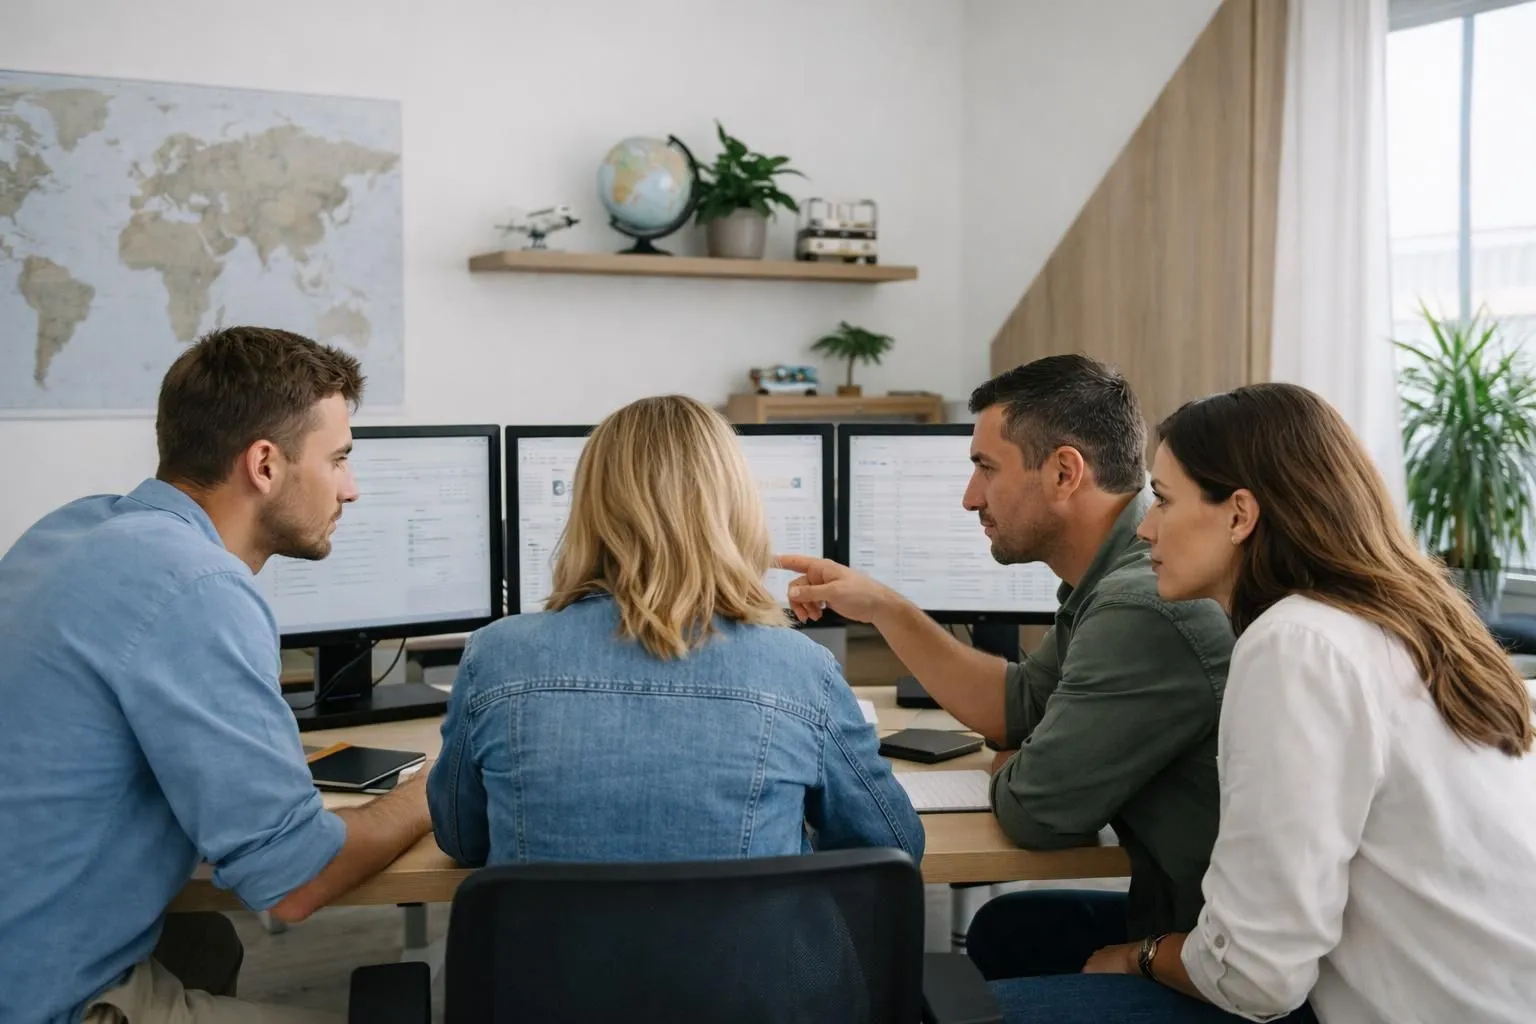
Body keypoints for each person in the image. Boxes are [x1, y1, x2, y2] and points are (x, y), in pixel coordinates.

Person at [1014, 382, 1536, 1023]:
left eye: (1165, 501)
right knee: (1020, 931)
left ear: (1239, 514)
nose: (1146, 528)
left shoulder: (1295, 644)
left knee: (973, 1001)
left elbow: (1254, 976)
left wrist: (1139, 957)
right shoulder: (1413, 624)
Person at [0, 327, 435, 1024]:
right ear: (265, 464)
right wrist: (430, 793)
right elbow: (295, 883)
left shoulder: (70, 529)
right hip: (43, 999)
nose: (350, 490)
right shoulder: (196, 584)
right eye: (340, 460)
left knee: (206, 942)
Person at [778, 355, 1234, 978]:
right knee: (1006, 928)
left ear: (1065, 473)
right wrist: (883, 606)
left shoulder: (1139, 604)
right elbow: (1018, 709)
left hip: (1211, 957)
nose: (970, 499)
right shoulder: (1111, 579)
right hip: (1181, 918)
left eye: (985, 469)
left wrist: (1019, 761)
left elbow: (1035, 812)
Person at [427, 394, 923, 868]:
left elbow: (461, 838)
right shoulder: (801, 670)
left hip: (547, 958)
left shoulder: (495, 658)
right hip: (747, 958)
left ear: (589, 511)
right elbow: (892, 843)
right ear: (734, 511)